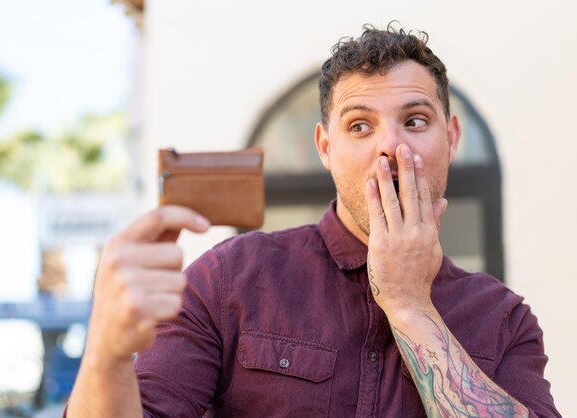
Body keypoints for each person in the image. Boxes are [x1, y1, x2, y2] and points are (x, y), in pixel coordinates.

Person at [65, 24, 560, 417]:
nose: (390, 145)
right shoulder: (230, 281)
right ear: (326, 148)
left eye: (414, 121)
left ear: (450, 139)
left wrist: (410, 305)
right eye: (360, 125)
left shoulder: (504, 320)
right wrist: (106, 351)